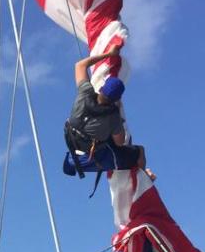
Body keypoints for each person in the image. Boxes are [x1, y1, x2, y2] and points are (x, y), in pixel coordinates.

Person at [65, 45, 155, 180]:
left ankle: (73, 163)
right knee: (139, 151)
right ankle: (141, 181)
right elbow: (119, 142)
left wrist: (109, 54)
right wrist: (117, 111)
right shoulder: (113, 118)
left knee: (96, 141)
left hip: (72, 139)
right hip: (93, 151)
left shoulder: (85, 93)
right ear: (117, 99)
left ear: (101, 88)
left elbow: (80, 65)